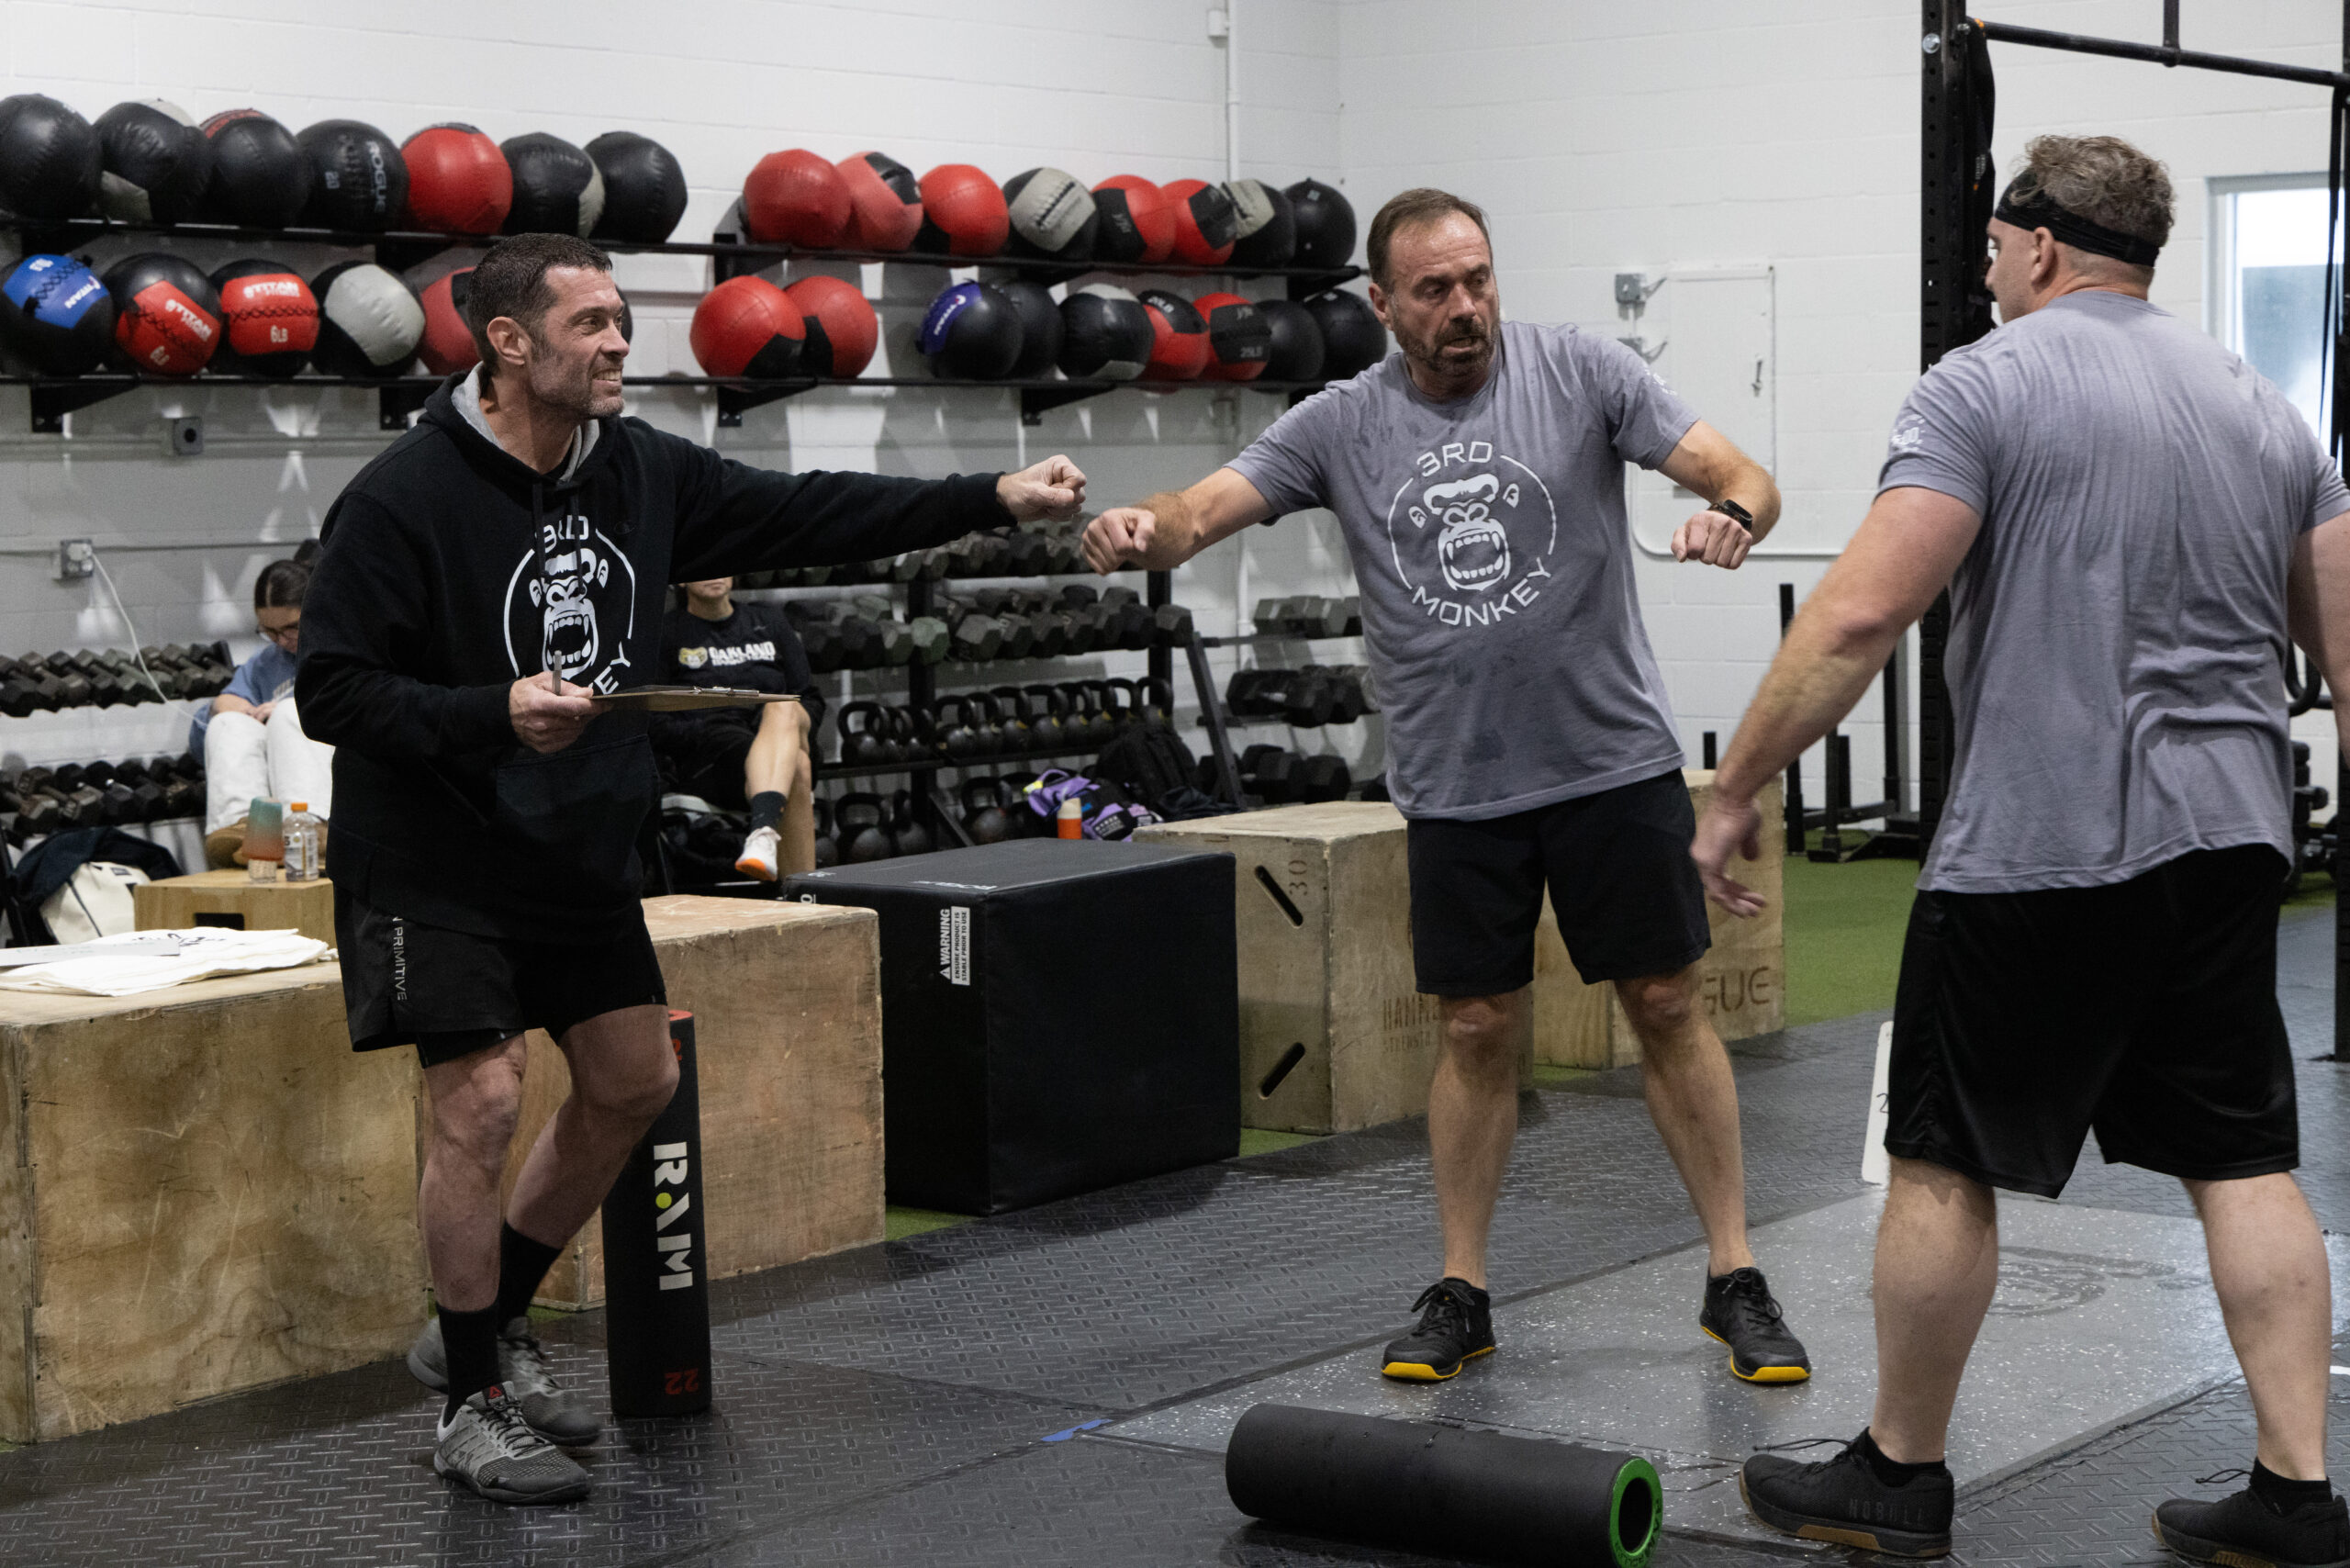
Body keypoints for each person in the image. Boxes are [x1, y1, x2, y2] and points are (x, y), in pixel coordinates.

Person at [297, 232, 1085, 1506]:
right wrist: (494, 711)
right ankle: (471, 1403)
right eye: (592, 323)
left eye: (621, 318)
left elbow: (815, 510)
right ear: (509, 344)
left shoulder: (640, 468)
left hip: (574, 843)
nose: (620, 342)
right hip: (434, 851)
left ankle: (480, 1325)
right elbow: (331, 691)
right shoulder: (402, 497)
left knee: (631, 1080)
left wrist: (992, 496)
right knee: (481, 1100)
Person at [1702, 136, 2349, 1563]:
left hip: (2041, 848)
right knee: (2242, 1162)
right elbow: (2348, 653)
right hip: (2231, 843)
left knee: (1943, 1158)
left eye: (1996, 250)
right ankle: (2297, 1495)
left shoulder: (1981, 386)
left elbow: (1860, 614)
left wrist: (1737, 782)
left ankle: (1898, 1474)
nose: (1989, 273)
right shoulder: (2264, 409)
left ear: (2043, 246)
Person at [1081, 188, 1812, 1388]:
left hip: (1610, 763)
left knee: (1665, 1002)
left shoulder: (1580, 372)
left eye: (1478, 279)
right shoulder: (1338, 424)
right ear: (1383, 304)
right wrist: (1136, 530)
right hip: (1458, 783)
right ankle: (1461, 1291)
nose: (1465, 306)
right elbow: (1194, 515)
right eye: (1435, 289)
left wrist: (1732, 515)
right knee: (1475, 1025)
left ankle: (1733, 1274)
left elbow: (1742, 473)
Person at [654, 576, 822, 879]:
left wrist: (778, 730)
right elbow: (656, 722)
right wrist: (705, 727)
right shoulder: (667, 633)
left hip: (784, 729)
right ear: (681, 580)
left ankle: (761, 834)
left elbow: (810, 698)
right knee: (797, 764)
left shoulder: (768, 621)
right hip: (716, 756)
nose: (715, 575)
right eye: (704, 569)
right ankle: (800, 894)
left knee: (783, 706)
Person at [191, 553, 334, 866]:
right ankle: (241, 829)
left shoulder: (343, 650)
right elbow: (198, 746)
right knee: (227, 723)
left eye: (292, 628)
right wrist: (218, 708)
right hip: (273, 801)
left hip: (334, 785)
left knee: (290, 713)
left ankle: (310, 830)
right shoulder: (264, 664)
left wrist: (285, 708)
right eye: (269, 631)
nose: (281, 640)